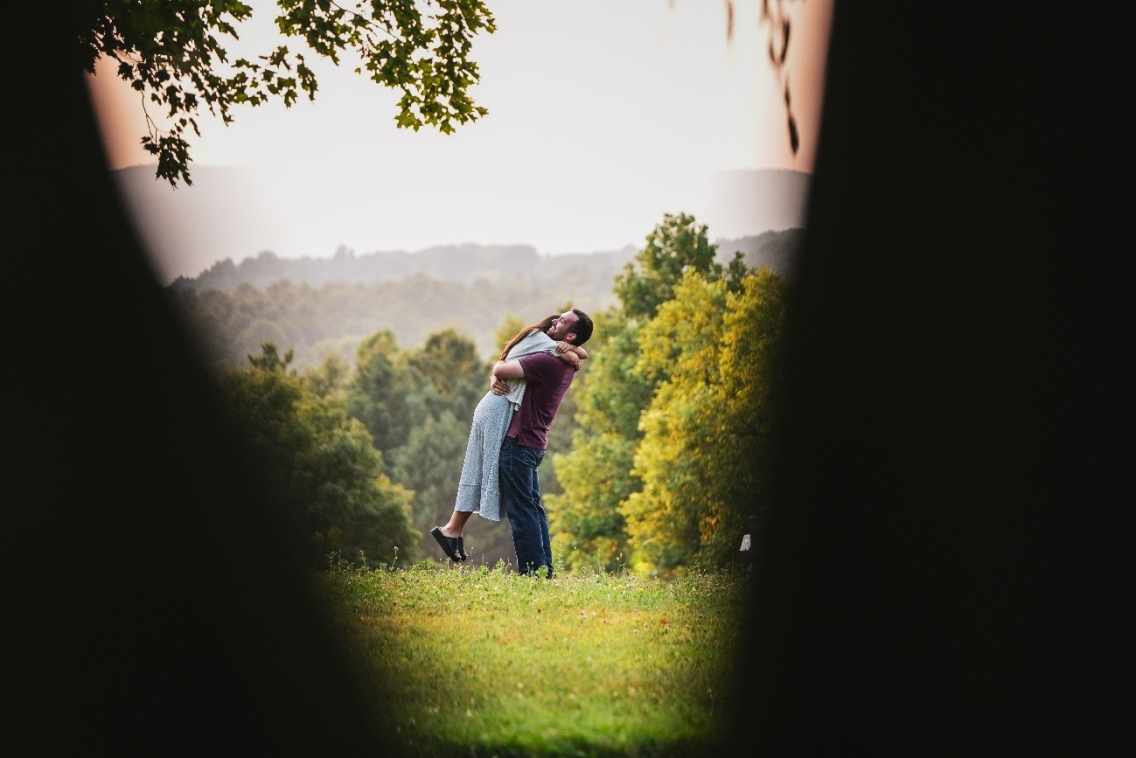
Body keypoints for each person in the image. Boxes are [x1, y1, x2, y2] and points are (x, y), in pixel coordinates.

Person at [430, 310, 592, 566]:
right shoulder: (557, 356)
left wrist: (497, 374)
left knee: (522, 509)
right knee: (530, 507)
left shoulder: (548, 360)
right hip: (529, 439)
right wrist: (573, 353)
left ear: (571, 335)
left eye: (562, 321)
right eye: (558, 316)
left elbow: (500, 366)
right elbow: (578, 355)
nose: (555, 320)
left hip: (518, 440)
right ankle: (541, 569)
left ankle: (533, 571)